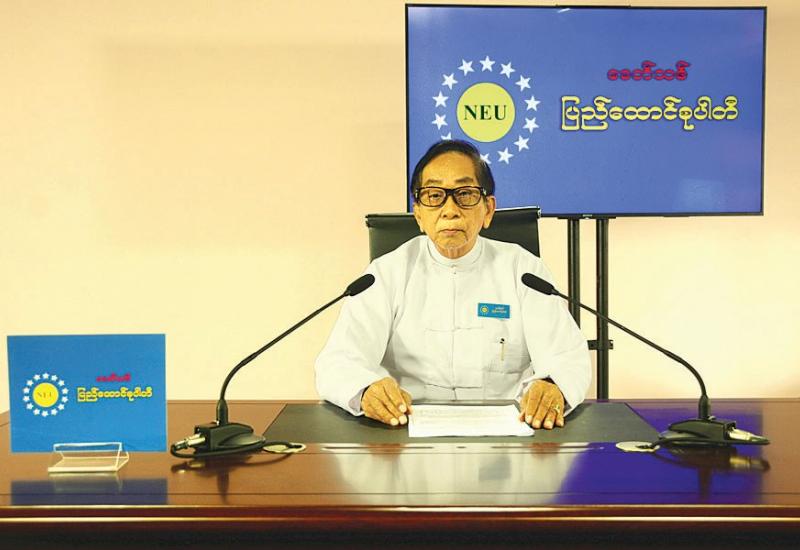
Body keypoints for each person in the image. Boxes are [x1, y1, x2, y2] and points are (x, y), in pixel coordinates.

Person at [315, 140, 591, 430]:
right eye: (434, 196)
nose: (450, 210)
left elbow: (566, 356)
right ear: (418, 214)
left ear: (488, 210)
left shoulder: (523, 270)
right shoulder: (387, 274)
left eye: (465, 194)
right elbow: (338, 361)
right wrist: (367, 389)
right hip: (406, 432)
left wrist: (552, 385)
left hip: (508, 436)